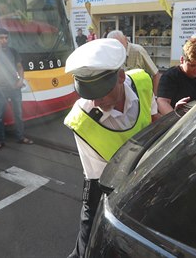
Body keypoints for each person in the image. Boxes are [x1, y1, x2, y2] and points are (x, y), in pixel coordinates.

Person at [63, 38, 159, 257]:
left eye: (101, 92)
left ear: (121, 76)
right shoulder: (81, 120)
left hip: (143, 166)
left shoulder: (142, 81)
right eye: (88, 94)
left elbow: (154, 119)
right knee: (88, 245)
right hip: (103, 181)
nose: (95, 102)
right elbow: (105, 180)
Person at [0, 28, 33, 152]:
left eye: (6, 38)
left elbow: (19, 67)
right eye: (1, 38)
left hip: (14, 86)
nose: (4, 40)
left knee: (18, 114)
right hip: (1, 87)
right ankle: (0, 140)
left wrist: (21, 80)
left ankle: (20, 137)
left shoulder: (13, 51)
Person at [157, 37, 196, 115]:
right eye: (192, 65)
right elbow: (162, 101)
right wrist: (174, 116)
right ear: (182, 60)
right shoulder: (170, 76)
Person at [107, 30, 161, 94]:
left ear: (125, 39)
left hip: (142, 93)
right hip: (125, 95)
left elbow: (155, 74)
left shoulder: (138, 50)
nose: (118, 49)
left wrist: (154, 96)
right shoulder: (113, 54)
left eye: (120, 45)